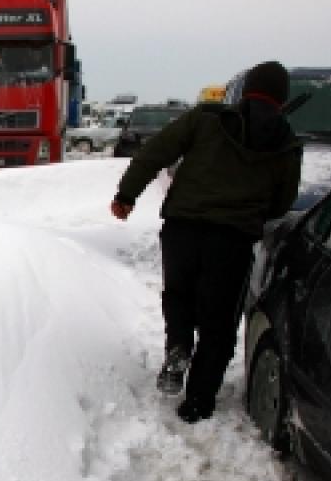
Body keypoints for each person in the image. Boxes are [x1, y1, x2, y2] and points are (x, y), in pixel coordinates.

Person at [110, 61, 302, 423]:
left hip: (184, 228)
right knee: (219, 321)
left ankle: (179, 345)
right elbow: (283, 201)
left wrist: (126, 195)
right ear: (282, 98)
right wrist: (254, 211)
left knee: (179, 296)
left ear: (246, 90)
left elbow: (155, 153)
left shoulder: (207, 118)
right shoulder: (287, 143)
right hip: (232, 240)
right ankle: (198, 402)